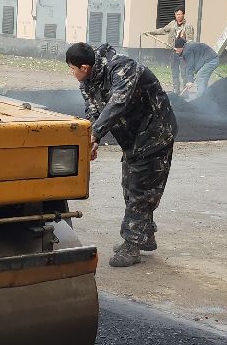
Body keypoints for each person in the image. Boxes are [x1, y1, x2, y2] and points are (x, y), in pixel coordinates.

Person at [67, 41, 176, 268]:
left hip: (155, 133)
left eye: (72, 68)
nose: (71, 72)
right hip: (133, 137)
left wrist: (95, 135)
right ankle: (144, 236)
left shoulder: (122, 68)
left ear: (85, 67)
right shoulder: (88, 82)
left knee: (140, 190)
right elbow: (94, 110)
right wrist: (92, 140)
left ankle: (132, 245)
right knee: (129, 185)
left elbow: (118, 103)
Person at [145, 9, 194, 89]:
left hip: (184, 53)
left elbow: (190, 41)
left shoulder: (188, 26)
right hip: (173, 52)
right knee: (174, 72)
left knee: (183, 72)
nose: (178, 16)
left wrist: (185, 50)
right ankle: (176, 90)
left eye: (180, 14)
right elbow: (163, 30)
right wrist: (150, 32)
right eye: (177, 14)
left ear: (183, 15)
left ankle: (185, 92)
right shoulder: (172, 24)